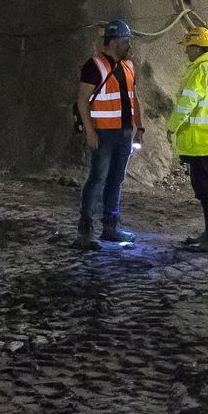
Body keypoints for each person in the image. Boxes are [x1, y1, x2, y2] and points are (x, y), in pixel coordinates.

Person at [75, 20, 144, 247]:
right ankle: (85, 232)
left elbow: (133, 99)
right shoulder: (94, 66)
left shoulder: (128, 66)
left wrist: (139, 127)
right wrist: (90, 131)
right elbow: (82, 99)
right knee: (97, 179)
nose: (129, 46)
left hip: (124, 133)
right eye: (126, 41)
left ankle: (110, 228)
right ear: (113, 42)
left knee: (116, 179)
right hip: (103, 134)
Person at [164, 26, 208, 252]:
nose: (186, 52)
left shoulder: (201, 71)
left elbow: (187, 103)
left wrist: (172, 127)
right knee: (206, 188)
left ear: (196, 47)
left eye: (187, 48)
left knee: (206, 189)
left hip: (203, 141)